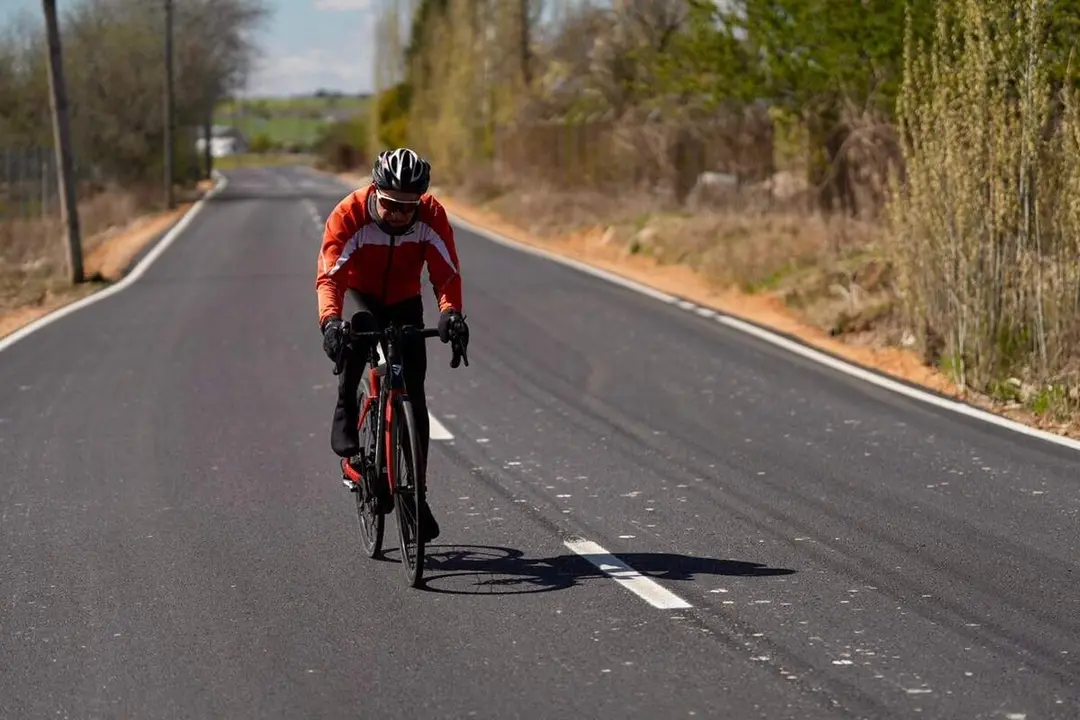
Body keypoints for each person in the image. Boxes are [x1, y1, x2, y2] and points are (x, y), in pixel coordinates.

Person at [315, 147, 469, 542]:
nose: (400, 214)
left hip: (403, 300)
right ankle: (346, 405)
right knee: (357, 329)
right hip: (359, 296)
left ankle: (415, 495)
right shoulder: (349, 215)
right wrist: (331, 322)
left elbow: (446, 273)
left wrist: (452, 313)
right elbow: (331, 277)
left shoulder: (431, 216)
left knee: (413, 390)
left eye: (408, 207)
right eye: (390, 205)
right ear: (374, 191)